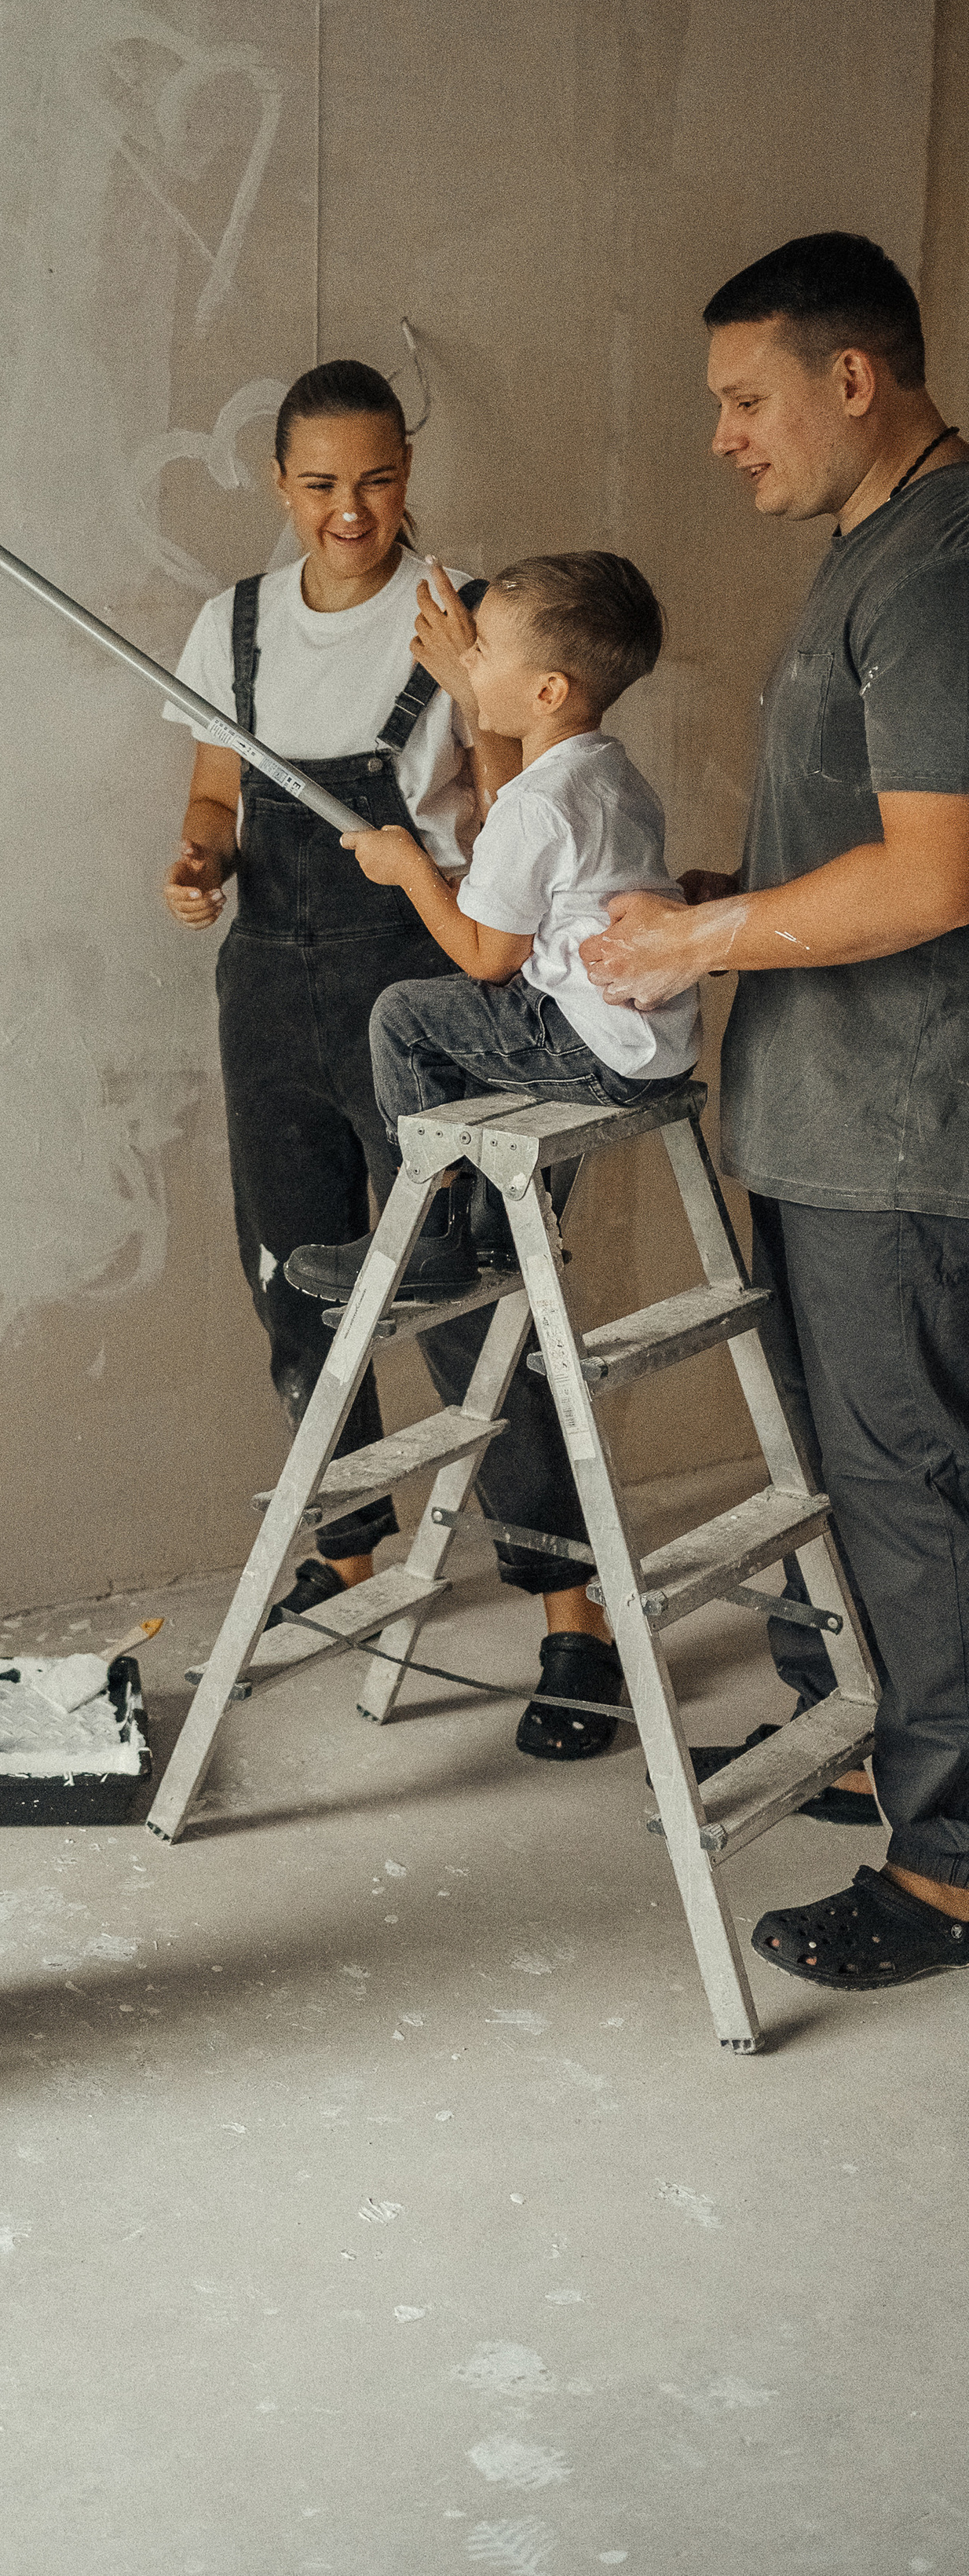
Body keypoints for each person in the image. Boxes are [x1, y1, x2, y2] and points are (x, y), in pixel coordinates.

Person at [582, 231, 969, 1993]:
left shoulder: (936, 568)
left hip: (899, 1136)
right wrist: (729, 892)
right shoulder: (874, 552)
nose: (724, 437)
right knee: (887, 1484)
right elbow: (869, 851)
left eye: (744, 401)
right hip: (844, 1123)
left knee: (909, 1493)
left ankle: (954, 1869)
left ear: (850, 376)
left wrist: (698, 937)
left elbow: (933, 877)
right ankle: (923, 1779)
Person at [162, 362, 627, 1760]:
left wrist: (467, 705)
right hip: (269, 992)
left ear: (408, 468)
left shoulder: (473, 618)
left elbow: (512, 816)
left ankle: (572, 1617)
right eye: (320, 484)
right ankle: (353, 1548)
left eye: (376, 478)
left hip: (422, 991)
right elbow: (210, 786)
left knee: (484, 1297)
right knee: (297, 1284)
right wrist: (196, 860)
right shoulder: (230, 624)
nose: (350, 510)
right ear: (278, 483)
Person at [279, 551, 698, 1748]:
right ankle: (462, 1222)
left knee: (409, 1015)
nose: (473, 669)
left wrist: (410, 862)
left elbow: (482, 956)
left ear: (551, 687)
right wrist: (474, 699)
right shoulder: (600, 767)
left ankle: (435, 1224)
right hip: (649, 1041)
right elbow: (517, 802)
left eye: (492, 657)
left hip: (583, 1040)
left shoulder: (532, 802)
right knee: (450, 1023)